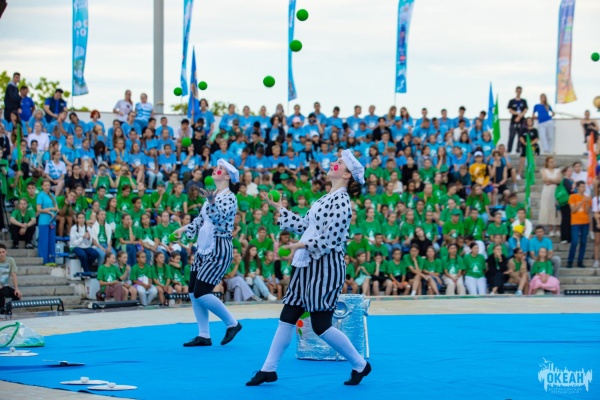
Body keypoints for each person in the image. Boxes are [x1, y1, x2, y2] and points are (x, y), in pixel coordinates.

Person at [247, 149, 371, 387]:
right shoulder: (325, 198)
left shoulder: (342, 202)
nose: (333, 163)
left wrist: (299, 245)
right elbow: (306, 225)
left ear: (347, 175)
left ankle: (360, 364)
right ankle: (268, 368)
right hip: (307, 264)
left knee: (321, 325)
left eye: (339, 163)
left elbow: (330, 239)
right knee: (287, 316)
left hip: (325, 267)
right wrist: (279, 208)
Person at [172, 159, 242, 347]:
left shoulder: (230, 197)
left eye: (220, 169)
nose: (215, 170)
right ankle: (204, 335)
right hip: (203, 248)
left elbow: (218, 218)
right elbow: (201, 220)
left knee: (202, 292)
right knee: (193, 292)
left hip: (218, 248)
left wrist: (211, 201)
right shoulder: (213, 195)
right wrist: (182, 229)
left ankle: (232, 323)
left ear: (227, 176)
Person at [567, 181, 591, 268]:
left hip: (585, 222)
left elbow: (587, 212)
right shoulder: (572, 196)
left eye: (584, 187)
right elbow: (573, 210)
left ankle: (580, 261)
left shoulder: (587, 197)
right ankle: (570, 261)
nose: (583, 188)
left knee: (583, 242)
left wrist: (587, 202)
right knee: (574, 241)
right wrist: (581, 202)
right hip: (575, 223)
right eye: (581, 186)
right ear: (577, 187)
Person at [37, 180, 58, 265]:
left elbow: (56, 208)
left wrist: (49, 209)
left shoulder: (52, 195)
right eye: (45, 185)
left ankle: (51, 259)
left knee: (51, 241)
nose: (47, 187)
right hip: (44, 221)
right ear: (42, 186)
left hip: (52, 221)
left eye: (48, 185)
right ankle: (44, 260)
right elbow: (39, 209)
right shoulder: (40, 195)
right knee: (44, 241)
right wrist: (49, 211)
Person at [538, 157, 562, 236]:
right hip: (547, 191)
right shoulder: (544, 170)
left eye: (553, 161)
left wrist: (550, 180)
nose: (552, 163)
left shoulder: (558, 170)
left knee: (556, 210)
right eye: (550, 162)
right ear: (547, 163)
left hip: (556, 190)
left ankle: (558, 229)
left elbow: (559, 180)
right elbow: (545, 179)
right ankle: (551, 229)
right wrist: (554, 180)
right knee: (548, 208)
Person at [507, 86, 528, 154]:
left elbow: (525, 110)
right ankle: (509, 150)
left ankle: (518, 150)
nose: (519, 92)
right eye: (518, 91)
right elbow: (510, 110)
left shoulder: (524, 101)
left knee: (520, 136)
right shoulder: (511, 101)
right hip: (514, 120)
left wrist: (520, 116)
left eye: (520, 91)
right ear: (516, 91)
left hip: (522, 121)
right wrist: (517, 114)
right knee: (511, 135)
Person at [558, 166, 574, 244]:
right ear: (564, 172)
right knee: (566, 220)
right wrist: (574, 184)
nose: (570, 172)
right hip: (566, 203)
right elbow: (571, 191)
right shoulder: (565, 180)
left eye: (571, 171)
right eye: (568, 171)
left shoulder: (567, 180)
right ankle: (565, 237)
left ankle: (567, 237)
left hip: (566, 203)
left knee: (567, 219)